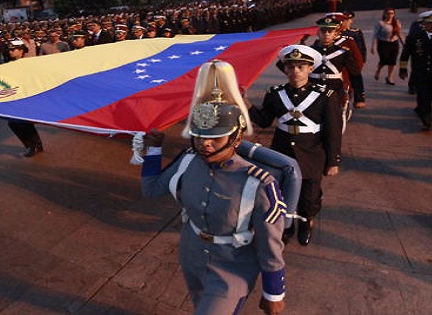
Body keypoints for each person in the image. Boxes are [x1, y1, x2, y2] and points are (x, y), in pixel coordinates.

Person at [141, 60, 287, 315]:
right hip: (192, 255)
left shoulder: (259, 182)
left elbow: (270, 243)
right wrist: (154, 150)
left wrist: (274, 291)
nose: (205, 144)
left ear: (236, 138)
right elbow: (151, 190)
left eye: (215, 138)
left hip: (233, 266)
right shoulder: (188, 161)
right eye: (200, 136)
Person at [248, 45, 342, 246]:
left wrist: (333, 161)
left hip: (312, 152)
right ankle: (286, 225)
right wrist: (247, 105)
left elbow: (333, 131)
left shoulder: (325, 95)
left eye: (301, 67)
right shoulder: (275, 93)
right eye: (290, 67)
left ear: (310, 69)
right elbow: (264, 121)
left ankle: (306, 222)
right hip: (282, 151)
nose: (295, 71)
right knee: (282, 191)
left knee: (309, 196)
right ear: (285, 69)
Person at [399, 11, 432, 130]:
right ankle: (427, 120)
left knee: (431, 95)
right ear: (423, 24)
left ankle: (421, 108)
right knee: (424, 96)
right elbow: (405, 54)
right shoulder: (415, 38)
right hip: (421, 73)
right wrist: (403, 69)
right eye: (429, 23)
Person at [4, 40, 44, 157]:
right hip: (15, 96)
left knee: (24, 124)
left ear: (21, 51)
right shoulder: (9, 64)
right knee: (14, 124)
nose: (10, 52)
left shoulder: (28, 64)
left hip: (27, 96)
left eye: (13, 50)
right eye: (9, 50)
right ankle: (33, 145)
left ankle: (33, 146)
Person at [371, 8, 403, 85]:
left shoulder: (397, 22)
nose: (390, 15)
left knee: (392, 61)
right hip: (383, 44)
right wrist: (373, 46)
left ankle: (389, 77)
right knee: (384, 60)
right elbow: (375, 35)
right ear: (384, 14)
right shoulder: (380, 23)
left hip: (394, 43)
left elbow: (399, 33)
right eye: (388, 13)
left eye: (392, 13)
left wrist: (404, 43)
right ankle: (378, 70)